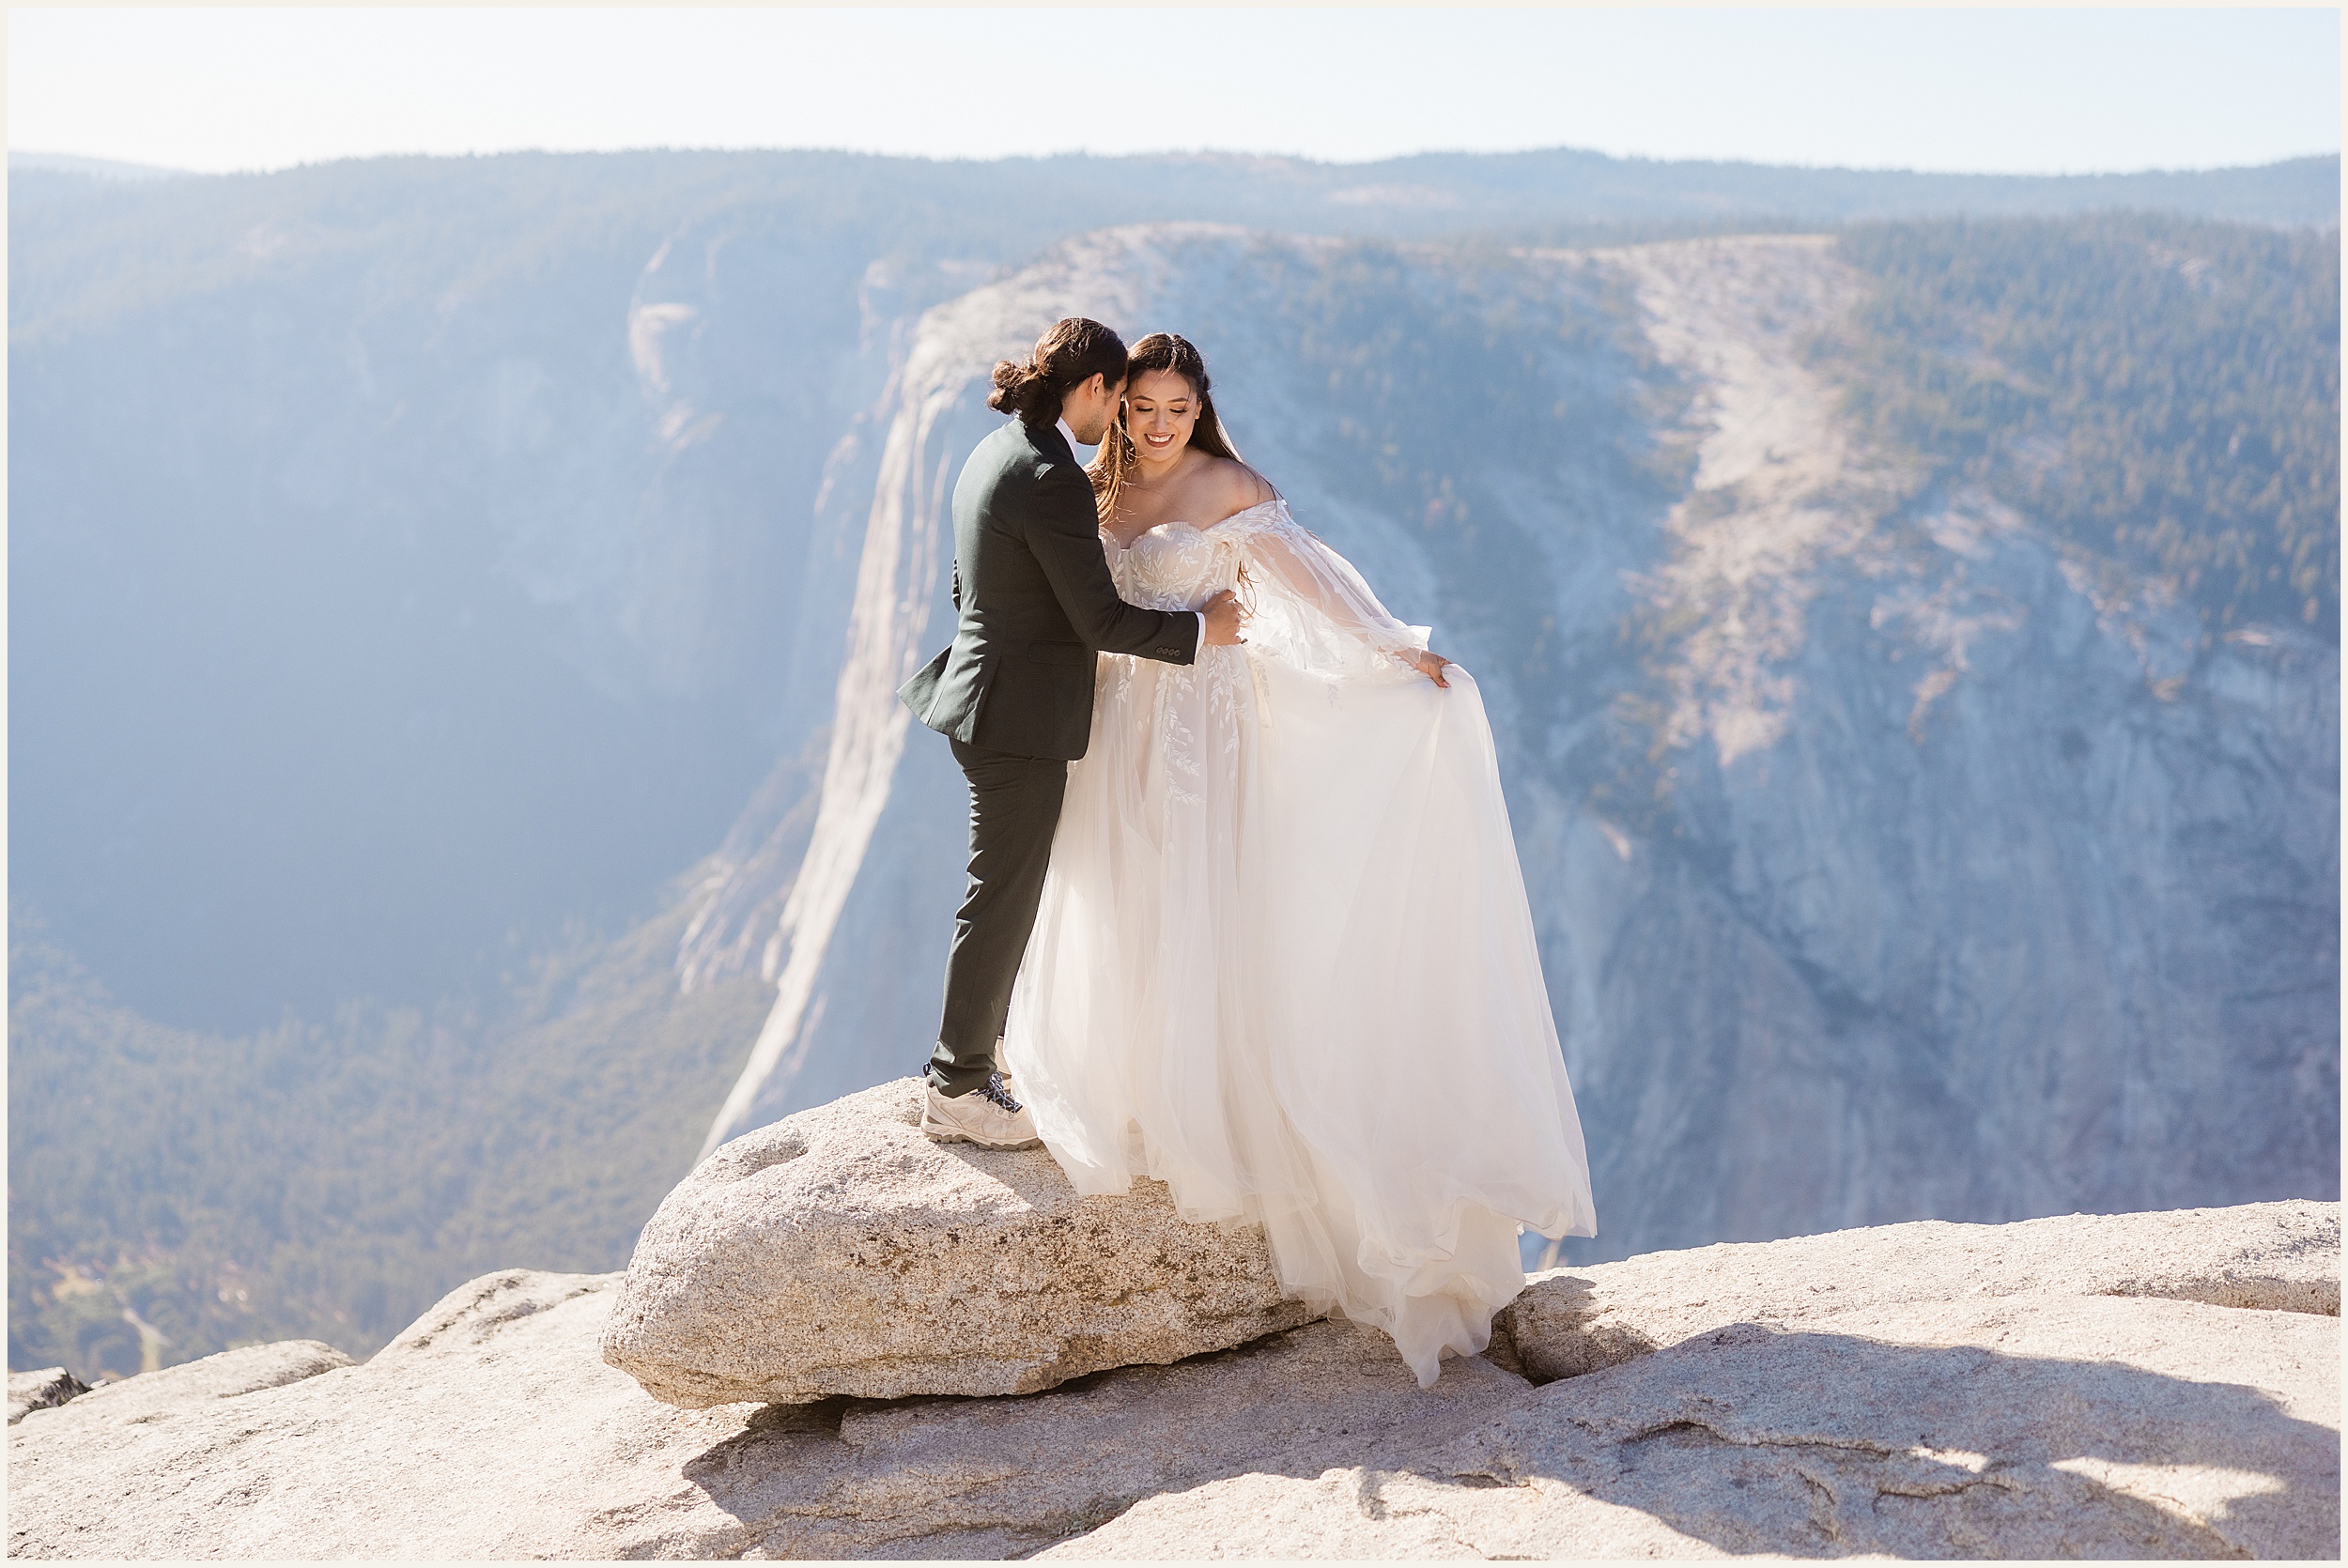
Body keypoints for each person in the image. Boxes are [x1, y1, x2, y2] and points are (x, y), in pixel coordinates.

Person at [1000, 331, 1598, 1386]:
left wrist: (1395, 646)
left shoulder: (1227, 485)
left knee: (1196, 895)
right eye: (1142, 405)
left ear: (1201, 409)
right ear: (1120, 403)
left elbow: (1307, 577)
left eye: (1177, 408)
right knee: (1122, 891)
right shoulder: (1090, 487)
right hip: (1117, 721)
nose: (1156, 424)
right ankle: (1134, 1085)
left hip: (1202, 724)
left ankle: (1213, 1114)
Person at [899, 318, 1246, 1149]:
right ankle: (958, 1083)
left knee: (1007, 887)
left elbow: (963, 576)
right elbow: (1098, 617)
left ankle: (981, 1061)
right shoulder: (1054, 476)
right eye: (1121, 400)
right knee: (1003, 896)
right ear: (1091, 390)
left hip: (981, 696)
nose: (1123, 419)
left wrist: (1012, 625)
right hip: (1017, 719)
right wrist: (1206, 634)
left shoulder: (995, 451)